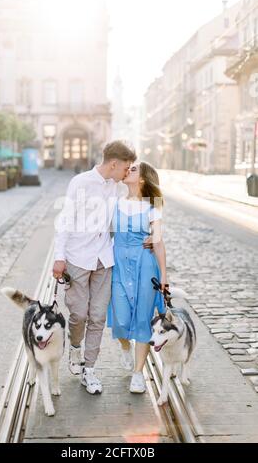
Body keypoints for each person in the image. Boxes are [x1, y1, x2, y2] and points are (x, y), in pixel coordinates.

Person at [53, 141, 153, 395]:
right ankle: (75, 346)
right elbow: (64, 220)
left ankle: (90, 370)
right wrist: (59, 256)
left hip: (103, 260)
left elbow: (130, 214)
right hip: (77, 258)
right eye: (126, 167)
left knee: (97, 317)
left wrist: (149, 236)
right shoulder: (81, 183)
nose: (127, 172)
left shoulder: (116, 189)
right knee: (78, 314)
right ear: (113, 164)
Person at [107, 162, 167, 394]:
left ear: (142, 179)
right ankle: (125, 346)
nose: (127, 170)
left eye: (132, 169)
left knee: (143, 319)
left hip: (145, 264)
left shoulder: (153, 207)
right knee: (121, 320)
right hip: (119, 264)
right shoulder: (115, 202)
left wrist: (163, 274)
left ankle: (138, 374)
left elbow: (159, 239)